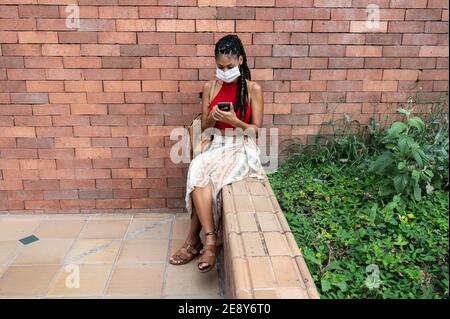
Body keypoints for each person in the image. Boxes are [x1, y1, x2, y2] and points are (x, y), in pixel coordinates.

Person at [169, 34, 266, 273]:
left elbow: (255, 131)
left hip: (242, 145)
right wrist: (213, 117)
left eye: (230, 67)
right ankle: (211, 239)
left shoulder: (253, 89)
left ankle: (196, 241)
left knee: (213, 179)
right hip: (216, 143)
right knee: (198, 168)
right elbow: (204, 127)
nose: (225, 71)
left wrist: (234, 120)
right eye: (220, 67)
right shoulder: (210, 86)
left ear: (241, 60)